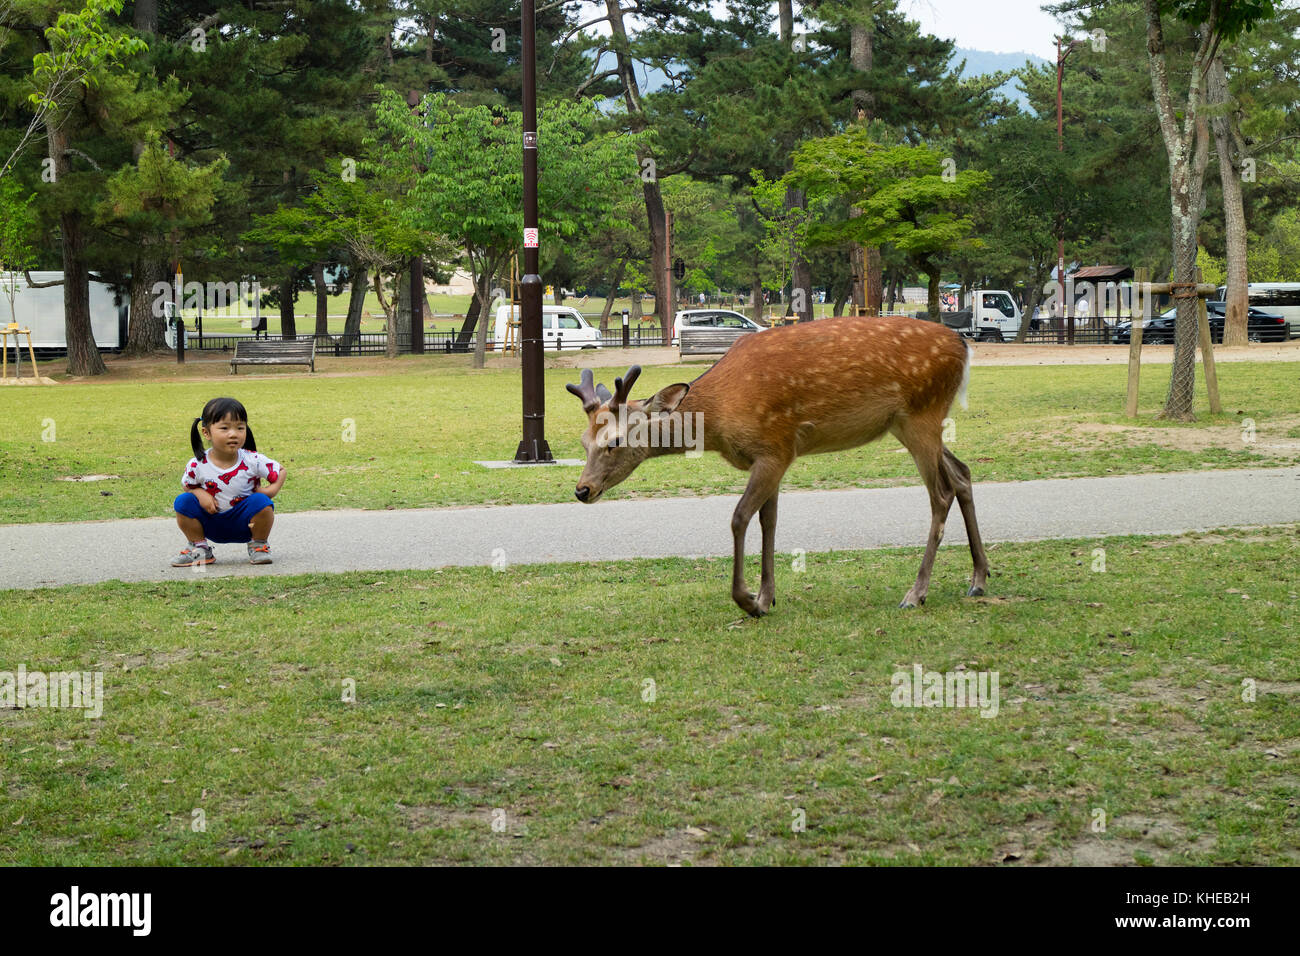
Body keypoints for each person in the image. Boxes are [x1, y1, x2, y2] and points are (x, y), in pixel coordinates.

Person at [172, 397, 285, 567]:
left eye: (240, 428)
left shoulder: (252, 460)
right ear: (206, 432)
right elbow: (187, 485)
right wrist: (199, 493)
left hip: (246, 524)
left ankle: (259, 545)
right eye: (224, 428)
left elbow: (280, 471)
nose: (233, 434)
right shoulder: (197, 464)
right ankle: (199, 549)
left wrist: (270, 491)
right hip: (210, 522)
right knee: (183, 501)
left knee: (262, 502)